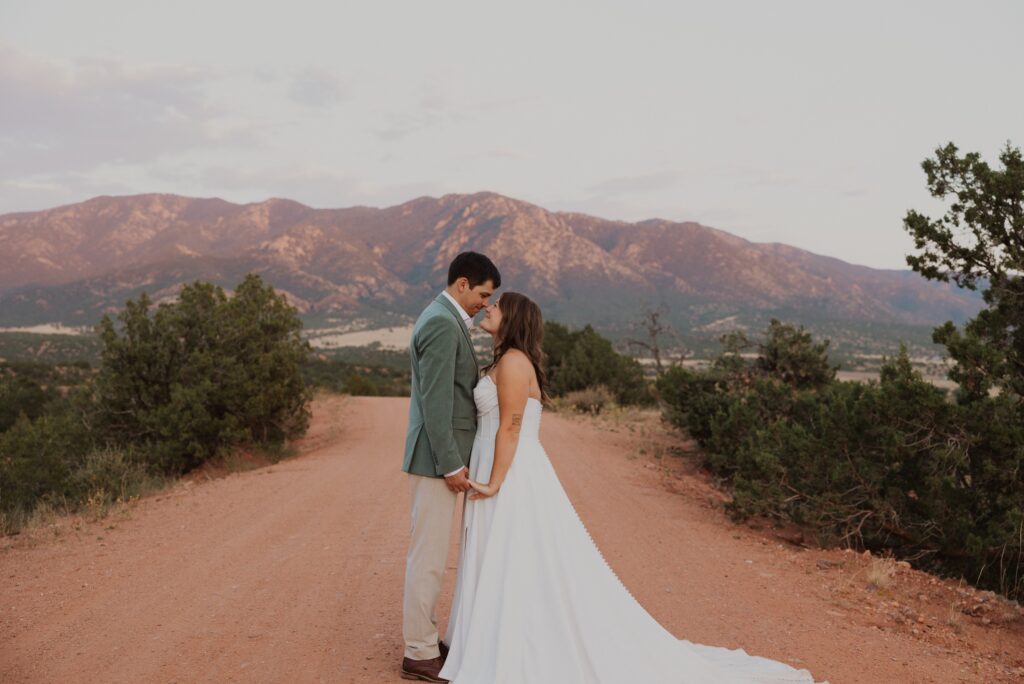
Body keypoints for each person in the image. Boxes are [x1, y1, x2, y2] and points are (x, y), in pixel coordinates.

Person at [437, 292, 827, 684]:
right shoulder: (506, 360)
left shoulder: (514, 362)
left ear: (514, 318)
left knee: (515, 556)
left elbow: (511, 426)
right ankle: (485, 638)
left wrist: (496, 482)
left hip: (512, 473)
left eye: (498, 305)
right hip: (501, 466)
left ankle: (513, 646)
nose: (489, 308)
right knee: (500, 555)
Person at [400, 252, 500, 683]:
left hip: (441, 456)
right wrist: (450, 465)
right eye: (483, 294)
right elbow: (437, 403)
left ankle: (426, 638)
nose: (485, 302)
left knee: (433, 555)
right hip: (437, 459)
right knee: (429, 558)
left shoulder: (445, 316)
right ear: (463, 284)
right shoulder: (442, 322)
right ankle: (419, 651)